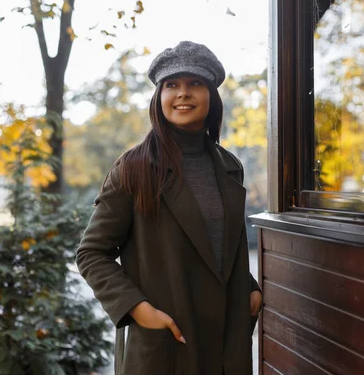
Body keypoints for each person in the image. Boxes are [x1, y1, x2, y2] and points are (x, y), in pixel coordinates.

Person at [76, 41, 263, 375]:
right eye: (172, 85)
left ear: (211, 96)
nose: (183, 93)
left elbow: (218, 244)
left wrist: (249, 289)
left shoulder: (229, 166)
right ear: (158, 96)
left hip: (226, 345)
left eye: (195, 84)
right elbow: (92, 253)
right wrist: (137, 308)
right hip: (167, 345)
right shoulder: (134, 168)